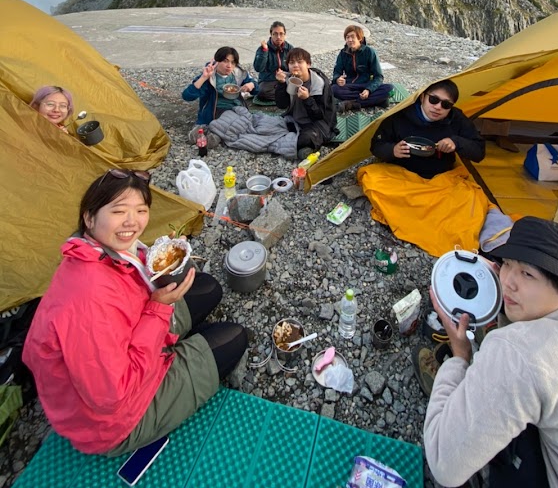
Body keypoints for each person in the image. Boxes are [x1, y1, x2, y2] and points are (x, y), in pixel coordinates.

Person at [23, 169, 247, 456]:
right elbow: (111, 396)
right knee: (233, 338)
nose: (132, 221)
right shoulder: (88, 299)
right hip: (114, 420)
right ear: (89, 217)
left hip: (131, 335)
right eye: (119, 211)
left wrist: (156, 269)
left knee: (208, 287)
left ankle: (181, 350)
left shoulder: (94, 249)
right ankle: (177, 361)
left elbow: (129, 291)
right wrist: (159, 309)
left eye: (141, 210)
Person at [424, 216, 558, 488]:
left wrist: (459, 357)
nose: (507, 282)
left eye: (527, 274)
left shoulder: (519, 354)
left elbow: (442, 464)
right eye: (507, 264)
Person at [358, 80, 491, 255]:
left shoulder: (456, 119)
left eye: (446, 104)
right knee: (371, 178)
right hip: (403, 175)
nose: (438, 107)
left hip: (441, 178)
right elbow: (376, 145)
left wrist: (456, 142)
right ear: (422, 97)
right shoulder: (400, 116)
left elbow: (479, 151)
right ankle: (418, 217)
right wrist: (393, 150)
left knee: (472, 198)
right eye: (434, 100)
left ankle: (414, 218)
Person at [182, 46, 256, 145]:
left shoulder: (238, 73)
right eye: (225, 61)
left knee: (243, 119)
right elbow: (187, 96)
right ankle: (214, 132)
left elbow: (257, 89)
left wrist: (252, 85)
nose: (229, 66)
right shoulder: (210, 76)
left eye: (233, 62)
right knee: (235, 122)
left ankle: (215, 133)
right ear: (217, 61)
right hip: (214, 111)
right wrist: (204, 78)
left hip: (235, 108)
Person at [274, 47, 337, 160]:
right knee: (271, 128)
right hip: (294, 118)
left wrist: (307, 99)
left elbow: (320, 115)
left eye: (299, 61)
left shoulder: (318, 84)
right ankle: (301, 148)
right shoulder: (289, 79)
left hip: (316, 124)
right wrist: (281, 84)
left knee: (305, 139)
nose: (295, 65)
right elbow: (281, 105)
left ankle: (304, 147)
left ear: (308, 64)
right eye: (292, 62)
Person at [331, 24, 393, 112]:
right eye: (347, 37)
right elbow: (337, 72)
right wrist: (337, 79)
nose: (349, 40)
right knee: (334, 89)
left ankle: (352, 104)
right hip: (350, 86)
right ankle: (374, 101)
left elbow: (379, 76)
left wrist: (369, 90)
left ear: (360, 38)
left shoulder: (369, 52)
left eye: (352, 37)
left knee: (390, 89)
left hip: (366, 84)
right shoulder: (343, 53)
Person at [253, 21, 293, 102]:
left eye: (281, 33)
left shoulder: (289, 48)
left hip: (285, 78)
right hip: (269, 81)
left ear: (285, 35)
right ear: (271, 34)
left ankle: (285, 95)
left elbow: (294, 66)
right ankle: (286, 97)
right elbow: (258, 68)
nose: (278, 37)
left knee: (300, 85)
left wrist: (285, 74)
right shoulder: (263, 49)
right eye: (275, 34)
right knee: (261, 92)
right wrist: (264, 51)